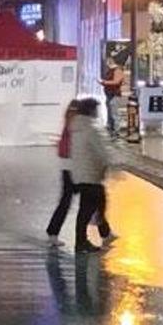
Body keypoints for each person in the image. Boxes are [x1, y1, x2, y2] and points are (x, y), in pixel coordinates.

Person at [46, 100, 113, 247]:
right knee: (90, 201)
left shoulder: (73, 124)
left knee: (81, 201)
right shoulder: (82, 125)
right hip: (75, 166)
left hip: (70, 166)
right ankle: (94, 236)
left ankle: (103, 232)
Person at [70, 98, 117, 252]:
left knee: (88, 207)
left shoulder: (76, 127)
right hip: (91, 174)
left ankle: (102, 233)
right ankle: (82, 242)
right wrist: (110, 164)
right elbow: (102, 151)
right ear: (92, 110)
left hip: (80, 173)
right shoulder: (92, 129)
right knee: (93, 206)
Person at [99, 61, 125, 134]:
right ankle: (111, 128)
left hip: (114, 95)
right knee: (110, 113)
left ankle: (116, 130)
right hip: (109, 94)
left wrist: (105, 82)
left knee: (114, 113)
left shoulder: (117, 70)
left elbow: (116, 82)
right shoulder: (111, 71)